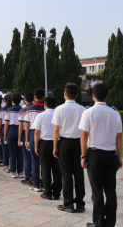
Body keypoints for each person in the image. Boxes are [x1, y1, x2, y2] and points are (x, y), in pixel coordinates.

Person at [79, 83, 123, 227]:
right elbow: (119, 138)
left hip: (95, 155)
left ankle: (98, 222)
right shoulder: (115, 114)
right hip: (111, 155)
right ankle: (110, 222)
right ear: (107, 96)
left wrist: (83, 156)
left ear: (93, 95)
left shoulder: (88, 113)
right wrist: (119, 158)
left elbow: (84, 136)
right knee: (110, 190)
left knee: (97, 191)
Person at [53, 83, 87, 213]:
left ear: (64, 94)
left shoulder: (59, 109)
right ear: (77, 95)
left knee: (66, 173)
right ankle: (79, 203)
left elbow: (56, 129)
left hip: (65, 143)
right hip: (79, 143)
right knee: (78, 173)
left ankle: (68, 203)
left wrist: (55, 146)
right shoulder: (83, 109)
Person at [32, 96, 62, 200]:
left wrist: (36, 146)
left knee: (45, 169)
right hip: (57, 143)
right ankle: (57, 192)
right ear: (56, 105)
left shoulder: (40, 116)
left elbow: (36, 132)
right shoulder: (59, 115)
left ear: (44, 105)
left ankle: (47, 192)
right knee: (57, 169)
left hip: (44, 144)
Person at [23, 88, 46, 191]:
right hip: (45, 135)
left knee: (34, 160)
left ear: (34, 97)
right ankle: (45, 182)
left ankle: (36, 183)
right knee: (45, 161)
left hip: (33, 134)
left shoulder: (30, 109)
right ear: (44, 97)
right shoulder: (47, 108)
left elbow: (27, 126)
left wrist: (26, 139)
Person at [4, 92, 24, 178]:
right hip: (21, 130)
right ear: (20, 100)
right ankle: (20, 172)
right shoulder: (23, 110)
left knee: (12, 152)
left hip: (11, 130)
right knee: (20, 152)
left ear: (12, 100)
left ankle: (13, 172)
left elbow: (6, 124)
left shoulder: (9, 110)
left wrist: (4, 135)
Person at [19, 91, 33, 186]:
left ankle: (28, 177)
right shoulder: (41, 108)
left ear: (24, 99)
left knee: (27, 157)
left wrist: (20, 138)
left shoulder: (23, 110)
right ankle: (35, 177)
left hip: (26, 133)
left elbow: (21, 126)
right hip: (37, 133)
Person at [0, 95, 10, 173]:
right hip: (14, 129)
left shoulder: (2, 110)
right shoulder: (17, 109)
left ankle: (6, 165)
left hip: (4, 128)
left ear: (4, 100)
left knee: (5, 148)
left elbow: (0, 122)